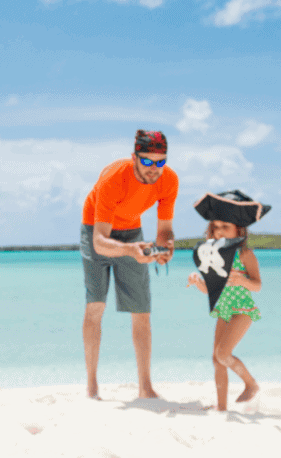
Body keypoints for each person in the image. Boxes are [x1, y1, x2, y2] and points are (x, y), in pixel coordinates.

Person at [79, 129, 178, 400]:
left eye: (160, 161)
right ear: (134, 157)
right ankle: (92, 385)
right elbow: (100, 242)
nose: (154, 169)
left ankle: (145, 386)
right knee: (96, 305)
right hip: (96, 229)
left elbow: (165, 230)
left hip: (132, 229)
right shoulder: (114, 177)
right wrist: (130, 250)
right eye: (147, 161)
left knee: (141, 310)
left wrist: (165, 248)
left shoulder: (169, 180)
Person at [187, 189, 269, 411]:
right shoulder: (212, 257)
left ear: (238, 230)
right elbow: (211, 290)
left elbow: (258, 285)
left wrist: (240, 281)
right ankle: (221, 407)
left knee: (223, 354)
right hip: (223, 309)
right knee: (216, 359)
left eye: (225, 227)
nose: (219, 232)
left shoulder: (244, 255)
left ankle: (250, 383)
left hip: (242, 309)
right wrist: (198, 282)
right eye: (215, 227)